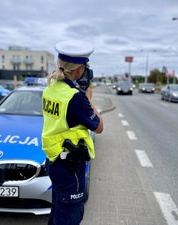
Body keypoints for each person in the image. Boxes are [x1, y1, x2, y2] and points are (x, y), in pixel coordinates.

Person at [42, 40, 103, 225]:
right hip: (70, 167)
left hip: (54, 161)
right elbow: (99, 127)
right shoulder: (76, 98)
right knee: (69, 217)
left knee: (58, 213)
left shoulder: (51, 88)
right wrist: (88, 99)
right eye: (84, 67)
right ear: (78, 70)